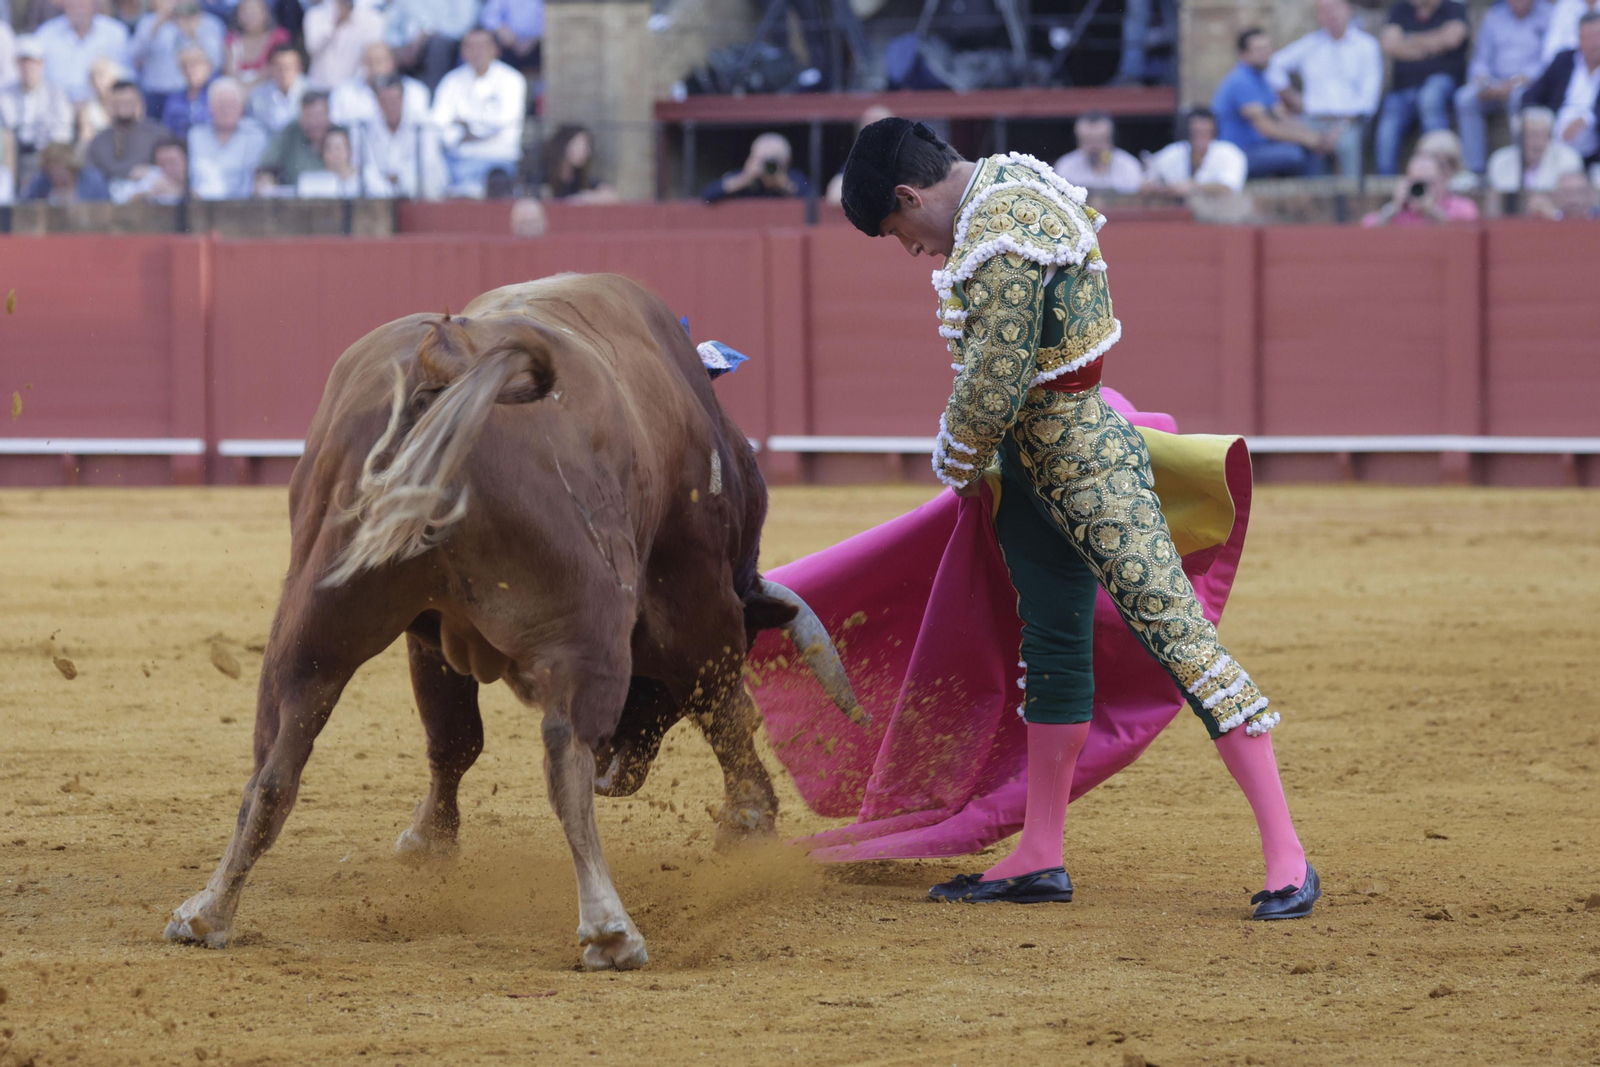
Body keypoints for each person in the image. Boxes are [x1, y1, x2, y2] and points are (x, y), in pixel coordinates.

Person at [837, 118, 1315, 917]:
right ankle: (1040, 854)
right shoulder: (1010, 180)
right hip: (1030, 471)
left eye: (899, 233)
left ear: (909, 195)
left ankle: (1288, 857)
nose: (915, 252)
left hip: (1084, 460)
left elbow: (998, 372)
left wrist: (955, 457)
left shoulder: (1001, 221)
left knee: (1179, 636)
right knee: (1052, 649)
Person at [1265, 0, 1383, 179]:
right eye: (1324, 11)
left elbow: (1369, 98)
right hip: (1312, 120)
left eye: (1335, 9)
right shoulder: (1310, 44)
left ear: (1348, 10)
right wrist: (1289, 95)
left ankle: (1353, 201)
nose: (1331, 15)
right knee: (1306, 148)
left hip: (1349, 122)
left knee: (1348, 146)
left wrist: (1340, 128)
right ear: (1319, 17)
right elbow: (1273, 65)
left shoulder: (1367, 46)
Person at [1213, 28, 1338, 178]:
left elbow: (1281, 116)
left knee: (1309, 149)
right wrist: (1309, 139)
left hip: (1260, 147)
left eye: (1268, 48)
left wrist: (1316, 137)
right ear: (1243, 54)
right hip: (1239, 152)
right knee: (1295, 154)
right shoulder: (1241, 80)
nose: (1266, 54)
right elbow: (1265, 128)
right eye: (1259, 49)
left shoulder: (1262, 78)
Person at [1455, 0, 1553, 176]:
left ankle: (1519, 167)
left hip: (1529, 85)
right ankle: (1475, 170)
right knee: (1465, 99)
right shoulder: (1494, 16)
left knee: (1518, 98)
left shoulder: (1549, 14)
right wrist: (1483, 81)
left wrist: (1514, 82)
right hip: (1494, 83)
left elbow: (1548, 59)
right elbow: (1480, 59)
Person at [1375, 0, 1471, 175]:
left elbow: (1451, 38)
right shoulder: (1399, 9)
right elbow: (1390, 44)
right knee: (1389, 117)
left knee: (1430, 98)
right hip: (1403, 88)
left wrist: (1409, 39)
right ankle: (1385, 180)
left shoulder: (1454, 8)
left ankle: (1439, 172)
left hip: (1442, 83)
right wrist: (1433, 44)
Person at [432, 26, 525, 197]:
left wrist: (466, 126)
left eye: (482, 46)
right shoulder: (451, 81)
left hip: (498, 161)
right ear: (463, 51)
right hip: (456, 161)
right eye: (470, 46)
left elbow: (505, 125)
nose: (477, 52)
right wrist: (469, 131)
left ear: (495, 49)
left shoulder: (512, 80)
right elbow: (439, 125)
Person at [1523, 10, 1600, 167]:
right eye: (1589, 37)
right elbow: (1532, 96)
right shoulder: (1563, 60)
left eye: (1598, 36)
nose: (1595, 43)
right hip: (1555, 136)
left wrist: (1587, 118)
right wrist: (1545, 123)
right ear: (1579, 39)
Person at [129, 0, 225, 120]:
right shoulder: (149, 21)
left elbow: (216, 62)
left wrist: (193, 34)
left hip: (191, 94)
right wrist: (158, 23)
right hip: (155, 93)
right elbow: (134, 54)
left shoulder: (210, 23)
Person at [357, 73, 445, 199]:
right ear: (377, 101)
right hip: (381, 191)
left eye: (394, 100)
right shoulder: (367, 126)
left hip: (419, 191)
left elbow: (428, 161)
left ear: (403, 99)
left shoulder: (423, 122)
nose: (390, 106)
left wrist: (397, 176)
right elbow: (367, 166)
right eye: (384, 101)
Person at [1, 35, 73, 183]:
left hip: (44, 151)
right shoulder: (5, 94)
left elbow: (63, 132)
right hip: (12, 153)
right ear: (17, 64)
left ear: (41, 64)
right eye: (23, 62)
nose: (28, 67)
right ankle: (7, 194)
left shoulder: (56, 94)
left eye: (32, 62)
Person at [186, 74, 267, 197]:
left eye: (231, 104)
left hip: (243, 208)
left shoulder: (256, 135)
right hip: (201, 207)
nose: (226, 109)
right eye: (220, 104)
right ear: (210, 107)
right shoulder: (196, 135)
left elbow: (258, 179)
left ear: (241, 108)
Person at [34, 0, 130, 104]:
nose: (77, 9)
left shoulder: (115, 32)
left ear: (94, 5)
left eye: (82, 4)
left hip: (102, 105)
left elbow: (127, 75)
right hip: (55, 104)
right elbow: (36, 75)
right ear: (64, 5)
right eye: (73, 4)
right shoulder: (45, 33)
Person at [1142, 107, 1248, 194]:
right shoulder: (1173, 152)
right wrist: (1157, 188)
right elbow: (1146, 182)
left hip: (1218, 215)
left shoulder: (1230, 153)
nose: (1200, 138)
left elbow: (1229, 188)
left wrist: (1192, 187)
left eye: (1205, 133)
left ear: (1214, 132)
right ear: (1188, 132)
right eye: (1195, 132)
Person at [1362, 146, 1481, 223]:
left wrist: (1435, 213)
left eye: (1428, 182)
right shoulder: (1400, 210)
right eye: (1416, 182)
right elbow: (1366, 227)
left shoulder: (1463, 207)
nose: (1421, 188)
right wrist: (1394, 207)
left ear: (1442, 180)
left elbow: (1467, 234)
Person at [328, 40, 429, 131]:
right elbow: (337, 129)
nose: (375, 68)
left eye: (380, 61)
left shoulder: (415, 92)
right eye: (369, 62)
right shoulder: (344, 93)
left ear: (392, 62)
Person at [385, 0, 479, 94]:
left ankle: (433, 99)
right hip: (407, 46)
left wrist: (428, 32)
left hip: (443, 42)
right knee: (382, 52)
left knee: (438, 45)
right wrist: (399, 46)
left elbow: (463, 25)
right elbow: (392, 27)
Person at [1486, 104, 1586, 191]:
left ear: (1550, 136)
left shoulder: (1568, 159)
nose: (1537, 142)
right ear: (1519, 137)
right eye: (1531, 135)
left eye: (1542, 135)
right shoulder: (1500, 161)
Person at [85, 77, 165, 179]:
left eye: (128, 101)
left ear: (138, 102)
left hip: (150, 191)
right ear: (109, 105)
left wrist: (152, 171)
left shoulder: (157, 134)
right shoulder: (98, 142)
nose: (124, 107)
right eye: (119, 102)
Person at [254, 86, 329, 190]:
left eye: (318, 115)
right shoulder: (291, 132)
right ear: (301, 117)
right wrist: (266, 181)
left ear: (328, 116)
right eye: (309, 116)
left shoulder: (340, 133)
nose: (314, 122)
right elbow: (265, 168)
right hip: (296, 203)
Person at [702, 131, 810, 202]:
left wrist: (785, 185)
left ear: (786, 162)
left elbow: (812, 199)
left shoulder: (793, 177)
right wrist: (744, 179)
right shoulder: (745, 177)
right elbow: (707, 195)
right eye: (762, 160)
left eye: (773, 162)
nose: (768, 167)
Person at [1051, 112, 1143, 194]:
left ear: (1111, 139)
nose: (1094, 147)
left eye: (1100, 140)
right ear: (1078, 140)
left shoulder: (1129, 166)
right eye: (1087, 140)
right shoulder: (1065, 167)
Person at [302, 0, 384, 91]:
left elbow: (373, 54)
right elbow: (312, 48)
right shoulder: (315, 15)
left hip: (353, 92)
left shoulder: (369, 18)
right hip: (320, 87)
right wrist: (336, 24)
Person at [224, 0, 289, 92]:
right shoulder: (232, 40)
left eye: (253, 11)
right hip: (239, 91)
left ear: (265, 13)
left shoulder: (278, 37)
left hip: (272, 90)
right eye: (244, 11)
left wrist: (252, 86)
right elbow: (230, 72)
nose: (249, 15)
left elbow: (279, 67)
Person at [541, 123, 615, 202]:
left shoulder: (579, 177)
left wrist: (583, 198)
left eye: (587, 147)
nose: (585, 152)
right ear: (564, 145)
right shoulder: (542, 173)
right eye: (580, 145)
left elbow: (612, 194)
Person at [23, 138, 109, 201]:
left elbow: (106, 210)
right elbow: (27, 208)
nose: (56, 176)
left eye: (61, 170)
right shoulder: (40, 183)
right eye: (51, 172)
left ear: (72, 168)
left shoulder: (93, 181)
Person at [110, 132, 188, 202]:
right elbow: (121, 198)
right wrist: (146, 196)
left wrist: (178, 193)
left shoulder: (197, 177)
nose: (167, 168)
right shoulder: (152, 179)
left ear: (186, 161)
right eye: (162, 164)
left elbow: (198, 195)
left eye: (172, 162)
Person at [160, 45, 214, 137]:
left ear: (207, 65)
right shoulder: (174, 99)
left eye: (194, 64)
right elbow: (167, 130)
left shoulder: (219, 94)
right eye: (184, 66)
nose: (189, 70)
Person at [73, 52, 124, 150]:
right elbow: (85, 139)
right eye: (92, 76)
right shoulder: (87, 108)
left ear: (114, 77)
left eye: (101, 75)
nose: (96, 80)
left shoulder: (126, 102)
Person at [247, 42, 302, 131]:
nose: (283, 73)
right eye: (279, 67)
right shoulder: (257, 97)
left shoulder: (310, 91)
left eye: (288, 67)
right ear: (270, 68)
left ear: (298, 68)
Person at [294, 121, 360, 196]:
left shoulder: (365, 179)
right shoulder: (312, 182)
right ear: (322, 152)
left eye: (338, 148)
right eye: (329, 148)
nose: (334, 153)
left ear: (349, 150)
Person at [480, 0, 543, 73]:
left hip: (537, 44)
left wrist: (534, 39)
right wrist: (501, 30)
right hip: (507, 44)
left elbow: (552, 19)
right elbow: (488, 17)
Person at [1528, 166, 1600, 213]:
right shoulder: (1550, 219)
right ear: (1556, 195)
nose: (1574, 200)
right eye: (1567, 193)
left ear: (1590, 194)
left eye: (1580, 192)